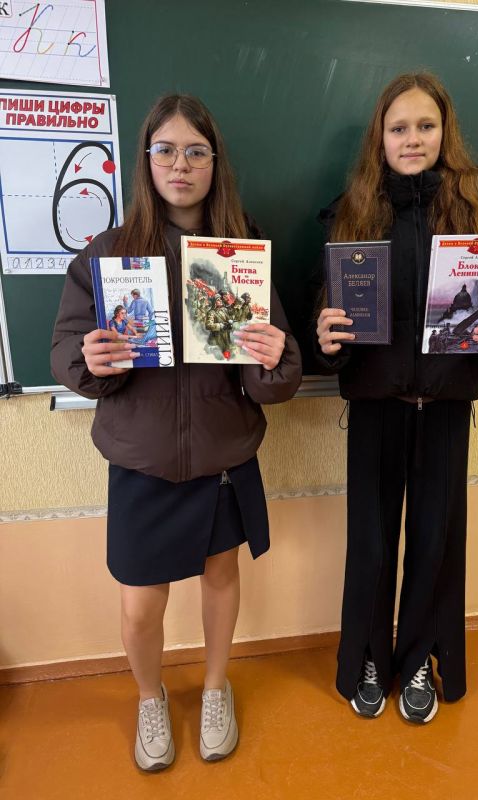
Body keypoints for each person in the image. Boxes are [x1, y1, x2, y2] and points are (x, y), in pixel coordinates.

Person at [51, 94, 302, 769]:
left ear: (215, 163)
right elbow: (68, 351)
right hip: (142, 460)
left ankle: (216, 688)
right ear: (145, 160)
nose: (180, 164)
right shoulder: (109, 254)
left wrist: (274, 357)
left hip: (222, 455)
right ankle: (149, 696)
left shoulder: (241, 254)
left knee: (220, 581)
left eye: (196, 151)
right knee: (141, 607)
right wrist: (89, 362)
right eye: (165, 150)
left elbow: (275, 378)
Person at [315, 73, 478, 724]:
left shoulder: (476, 219)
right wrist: (326, 340)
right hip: (375, 410)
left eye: (425, 126)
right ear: (379, 138)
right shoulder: (348, 217)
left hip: (445, 411)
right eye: (399, 128)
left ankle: (417, 658)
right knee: (371, 545)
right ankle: (367, 656)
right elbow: (323, 329)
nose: (412, 139)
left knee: (435, 544)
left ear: (445, 133)